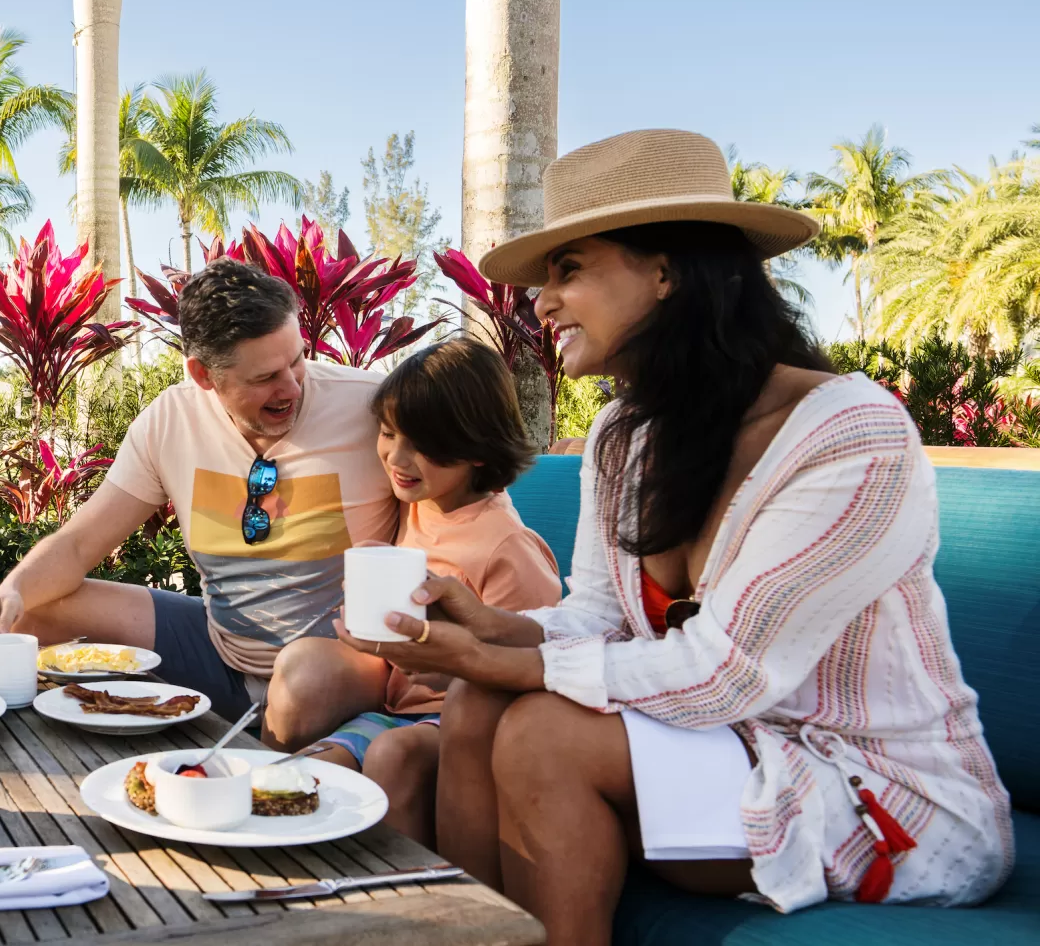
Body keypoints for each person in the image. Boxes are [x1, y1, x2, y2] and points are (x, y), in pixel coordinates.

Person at [338, 130, 1012, 945]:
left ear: (666, 273)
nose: (542, 302)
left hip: (871, 786)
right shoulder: (627, 434)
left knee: (542, 733)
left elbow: (728, 672)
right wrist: (486, 630)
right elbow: (592, 618)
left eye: (570, 268)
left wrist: (504, 658)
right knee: (481, 702)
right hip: (721, 745)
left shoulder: (850, 434)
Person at [0, 260, 401, 732]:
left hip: (340, 668)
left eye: (297, 358)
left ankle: (263, 781)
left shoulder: (373, 405)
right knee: (32, 611)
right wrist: (12, 590)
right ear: (203, 375)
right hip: (220, 650)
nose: (293, 386)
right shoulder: (170, 420)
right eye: (265, 378)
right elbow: (78, 544)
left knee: (303, 676)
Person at [299, 336, 560, 845]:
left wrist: (443, 661)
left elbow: (538, 660)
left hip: (458, 725)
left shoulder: (507, 545)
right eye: (388, 433)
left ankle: (408, 901)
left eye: (423, 445)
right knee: (308, 771)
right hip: (393, 709)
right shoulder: (416, 502)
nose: (397, 458)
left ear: (477, 447)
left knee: (393, 756)